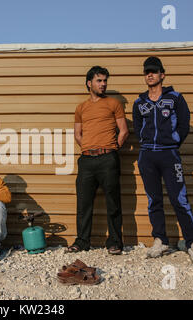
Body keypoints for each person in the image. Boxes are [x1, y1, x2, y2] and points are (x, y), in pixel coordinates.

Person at [132, 56, 193, 264]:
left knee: (179, 199)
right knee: (153, 199)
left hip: (169, 154)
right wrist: (146, 144)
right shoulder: (140, 102)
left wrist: (172, 143)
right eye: (147, 71)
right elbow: (138, 128)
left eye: (154, 71)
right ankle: (160, 239)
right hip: (147, 155)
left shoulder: (175, 98)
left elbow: (184, 125)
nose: (150, 74)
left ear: (162, 75)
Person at [67, 66, 129, 255]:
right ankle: (82, 241)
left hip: (108, 159)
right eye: (99, 81)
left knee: (113, 202)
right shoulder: (81, 108)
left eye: (105, 81)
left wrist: (112, 149)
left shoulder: (114, 104)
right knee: (84, 203)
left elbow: (124, 131)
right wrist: (87, 147)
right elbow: (78, 134)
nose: (103, 84)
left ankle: (115, 242)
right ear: (89, 83)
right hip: (86, 160)